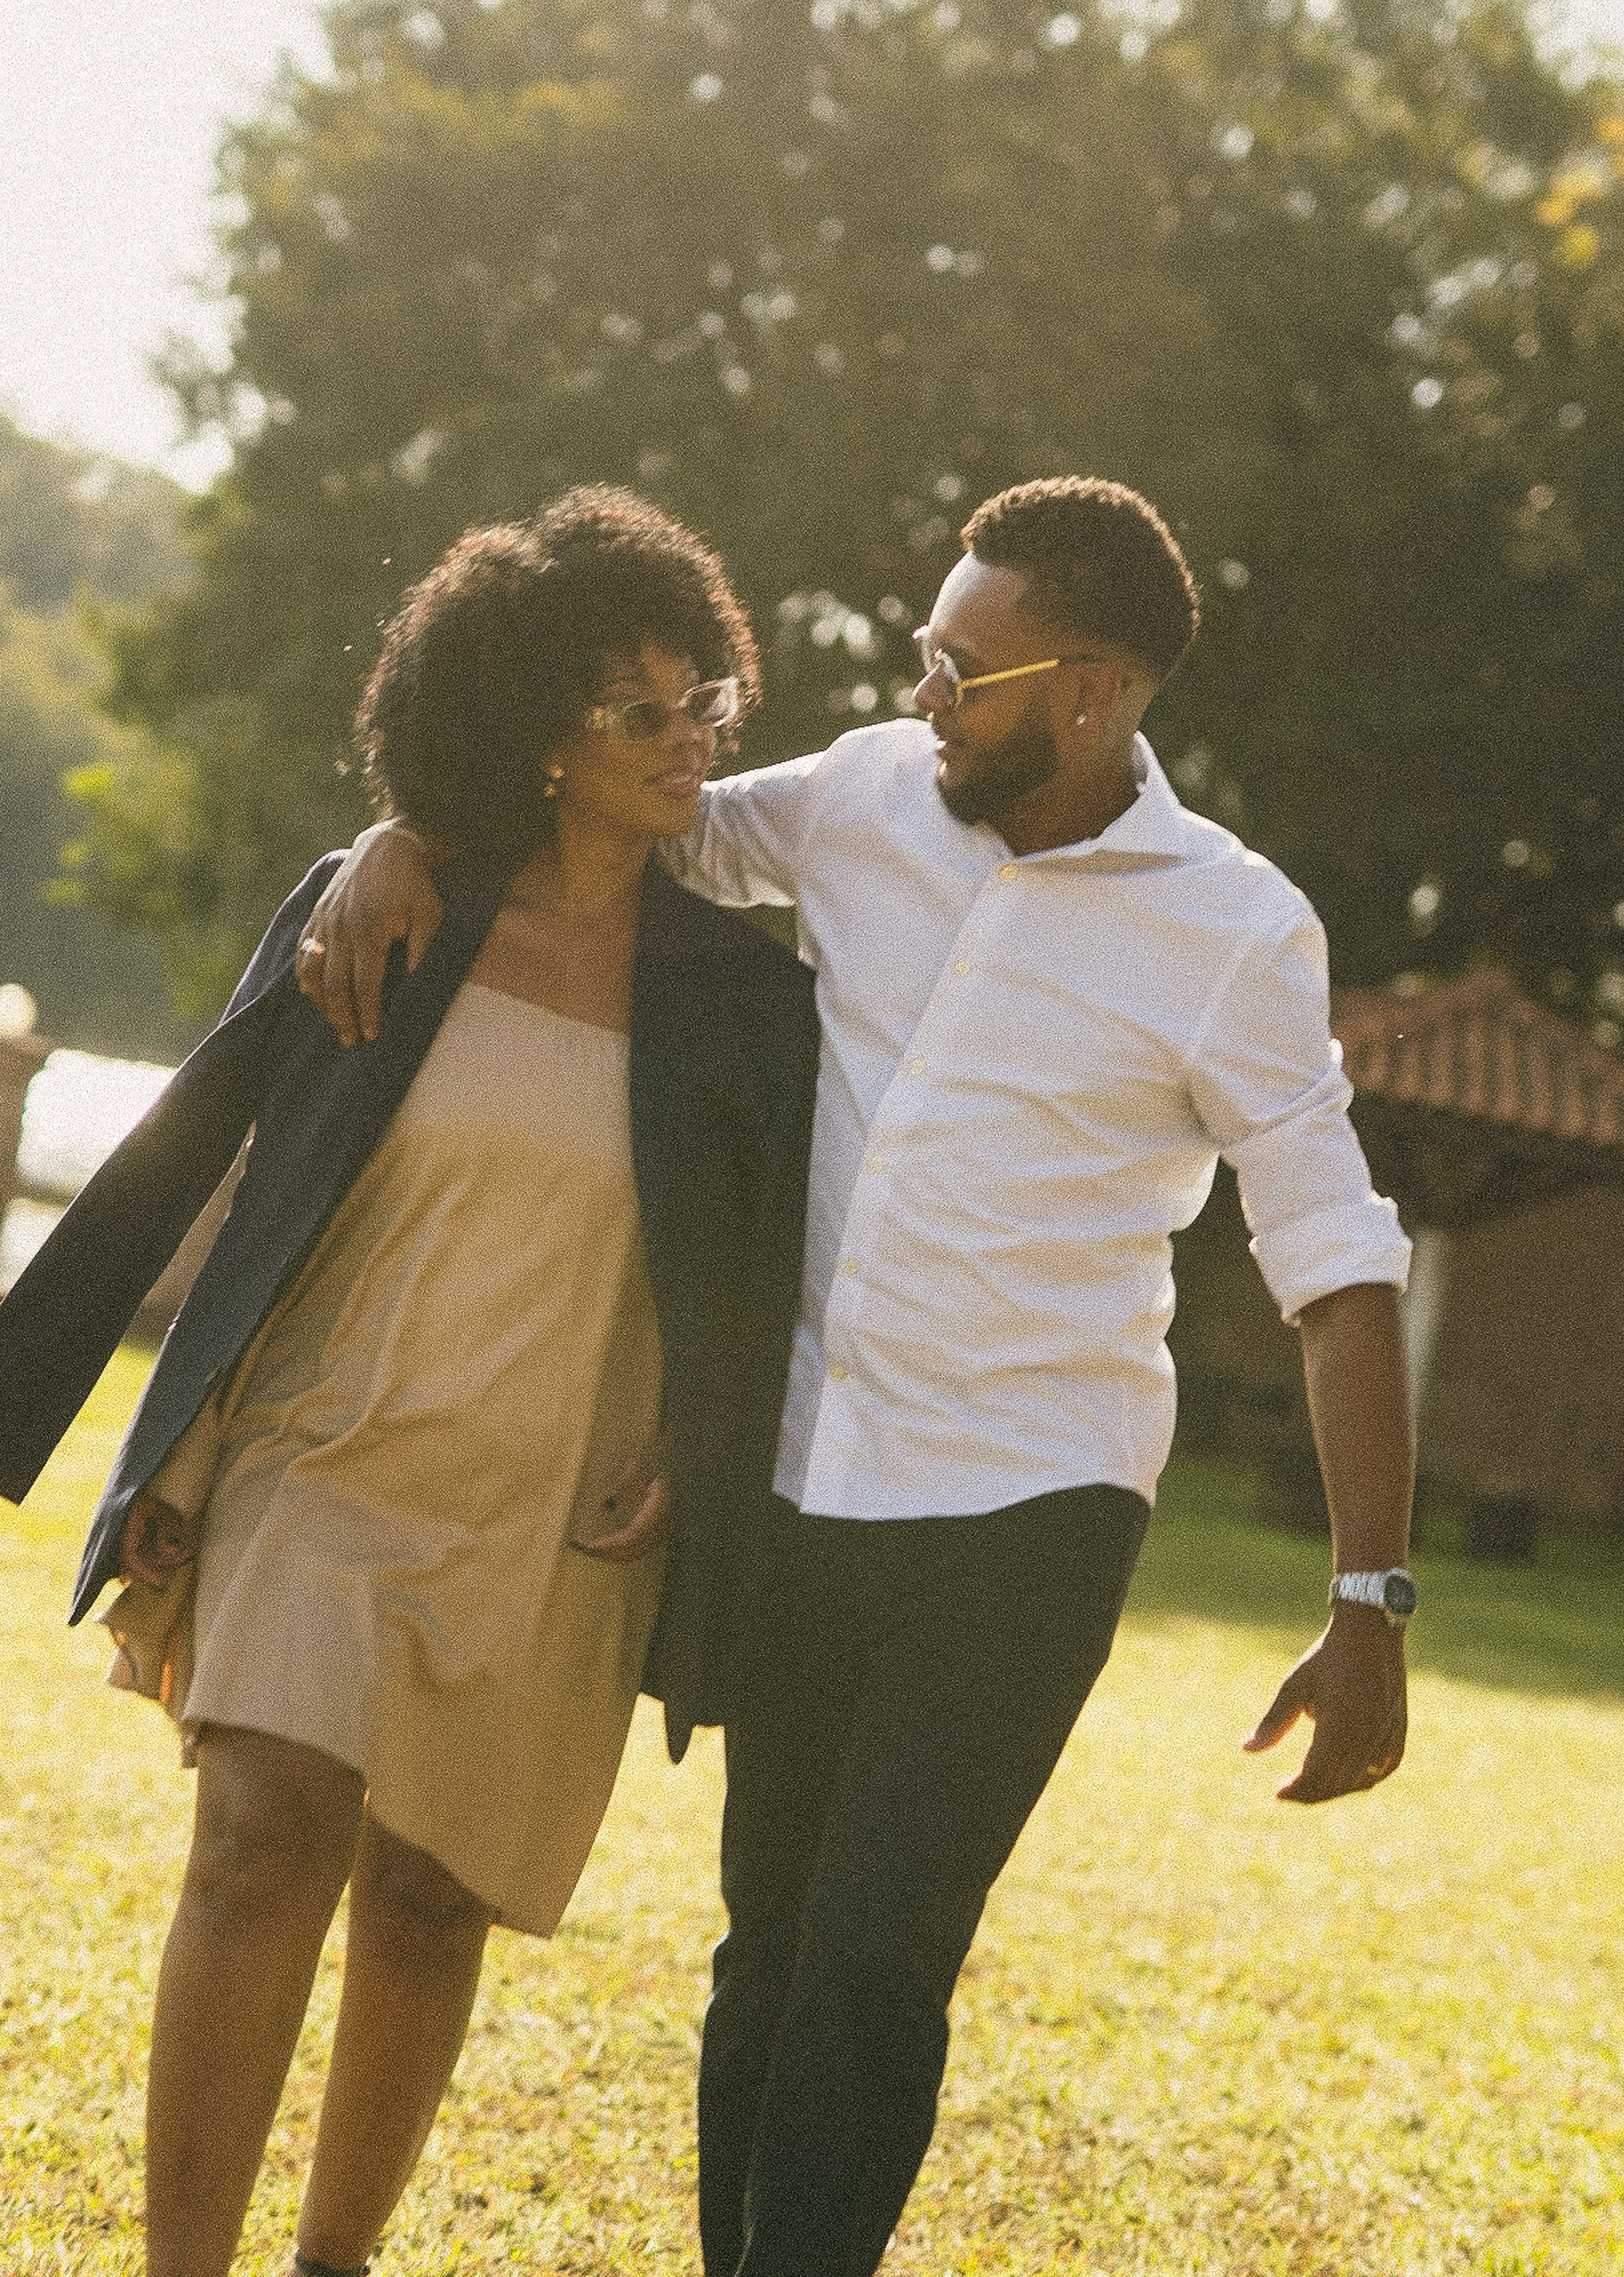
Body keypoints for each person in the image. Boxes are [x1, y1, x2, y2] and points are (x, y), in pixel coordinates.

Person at [297, 476, 1419, 2277]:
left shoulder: (1232, 930)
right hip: (807, 1478)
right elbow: (617, 817)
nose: (922, 692)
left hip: (1028, 1506)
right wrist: (402, 838)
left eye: (964, 667)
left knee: (876, 1956)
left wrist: (1366, 1594)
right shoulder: (858, 801)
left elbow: (1333, 1260)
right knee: (766, 1944)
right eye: (923, 650)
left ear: (1094, 692)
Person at [0, 487, 817, 2277]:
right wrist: (165, 1465)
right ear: (531, 737)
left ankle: (332, 2259)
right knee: (260, 1839)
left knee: (425, 1897)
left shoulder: (743, 987)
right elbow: (216, 1155)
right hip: (326, 1446)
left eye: (701, 696)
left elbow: (760, 1261)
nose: (688, 740)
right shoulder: (387, 909)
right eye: (634, 709)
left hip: (553, 1495)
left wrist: (700, 1444)